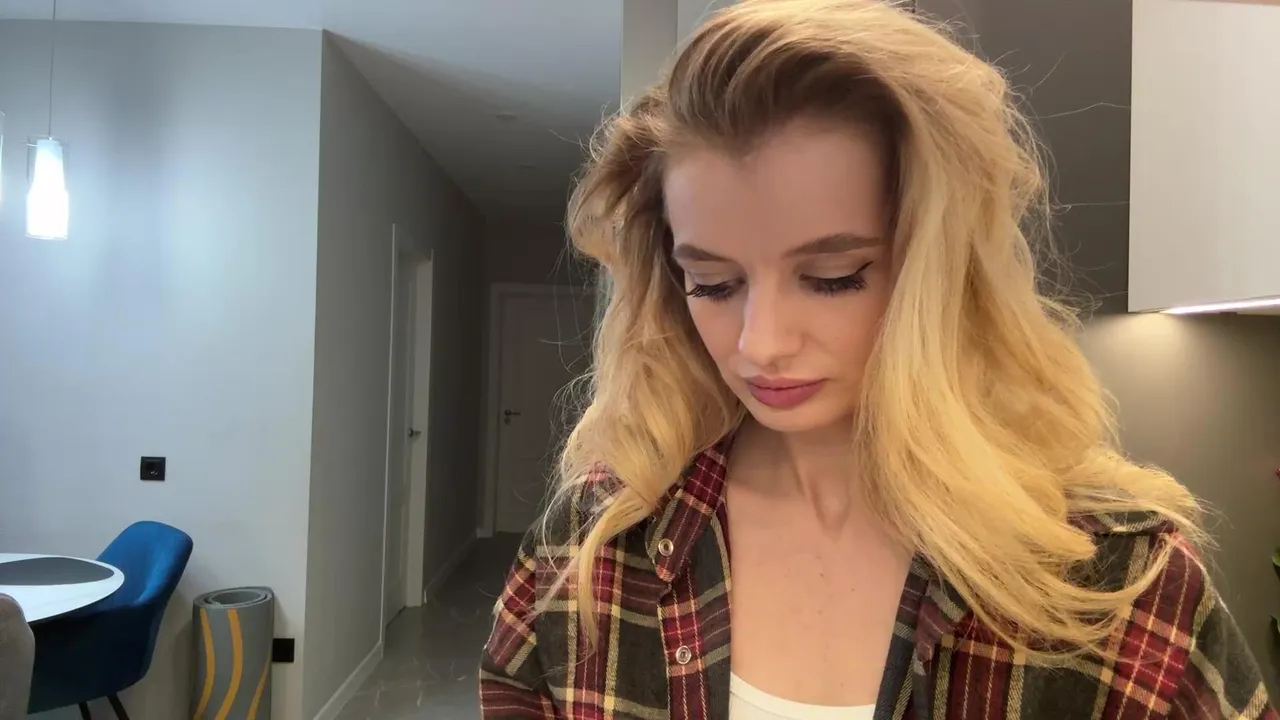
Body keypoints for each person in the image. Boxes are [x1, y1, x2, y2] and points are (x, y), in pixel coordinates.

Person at [480, 0, 1278, 718]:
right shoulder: (590, 552)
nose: (761, 343)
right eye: (713, 283)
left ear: (939, 268)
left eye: (833, 277)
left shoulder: (1117, 577)